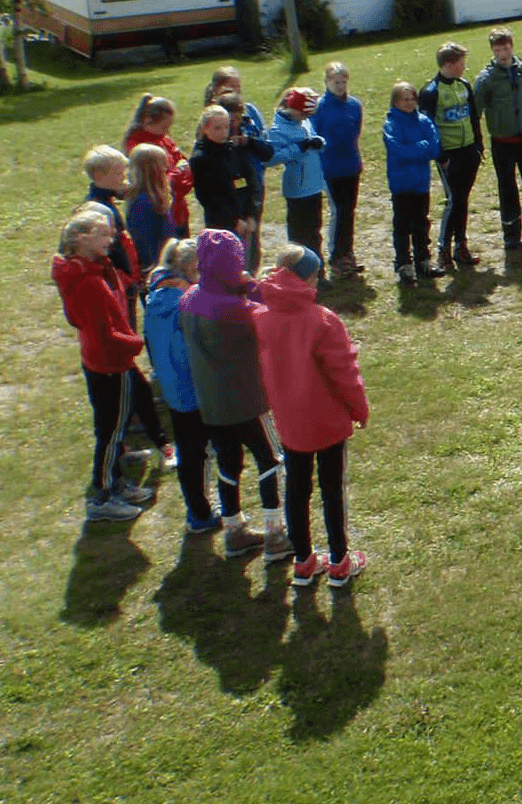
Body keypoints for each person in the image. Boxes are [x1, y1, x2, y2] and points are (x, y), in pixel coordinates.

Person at [254, 245, 371, 590]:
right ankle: (339, 562)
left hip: (289, 421)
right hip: (328, 422)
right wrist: (359, 409)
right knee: (332, 490)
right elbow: (344, 371)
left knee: (296, 489)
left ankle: (303, 563)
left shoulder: (261, 316)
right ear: (308, 278)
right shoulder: (323, 320)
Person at [180, 228, 289, 562]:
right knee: (270, 461)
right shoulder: (236, 309)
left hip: (212, 404)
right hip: (249, 401)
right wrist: (254, 285)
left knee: (229, 463)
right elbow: (269, 315)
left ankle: (234, 529)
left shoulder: (188, 298)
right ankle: (275, 535)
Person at [53, 208, 163, 523]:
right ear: (80, 238)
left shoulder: (87, 270)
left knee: (112, 428)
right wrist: (137, 345)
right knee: (111, 433)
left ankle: (116, 483)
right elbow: (105, 333)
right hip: (110, 365)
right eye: (104, 233)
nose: (111, 238)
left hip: (102, 362)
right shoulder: (87, 282)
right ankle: (102, 496)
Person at [143, 238, 218, 533]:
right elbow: (191, 351)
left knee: (190, 452)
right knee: (200, 453)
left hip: (173, 390)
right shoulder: (183, 303)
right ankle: (201, 513)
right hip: (194, 389)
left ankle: (197, 510)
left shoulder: (157, 298)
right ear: (189, 268)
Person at [471, 27, 522, 252]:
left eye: (506, 48)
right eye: (498, 50)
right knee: (507, 189)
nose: (503, 54)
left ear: (512, 47)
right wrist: (476, 142)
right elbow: (474, 113)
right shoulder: (486, 79)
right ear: (493, 51)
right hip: (502, 143)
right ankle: (511, 234)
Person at [419, 41, 485, 268]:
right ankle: (443, 250)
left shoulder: (464, 85)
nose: (464, 67)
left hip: (469, 150)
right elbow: (427, 127)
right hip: (449, 155)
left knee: (463, 200)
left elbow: (474, 117)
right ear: (448, 64)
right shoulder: (431, 91)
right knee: (454, 200)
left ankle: (461, 247)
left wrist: (478, 145)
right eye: (461, 63)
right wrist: (441, 156)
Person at [204, 68, 270, 267]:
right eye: (231, 87)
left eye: (238, 87)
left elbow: (267, 151)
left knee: (252, 239)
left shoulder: (247, 122)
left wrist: (247, 142)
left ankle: (250, 277)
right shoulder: (211, 135)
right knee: (228, 250)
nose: (235, 123)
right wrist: (234, 218)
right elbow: (211, 189)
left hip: (250, 190)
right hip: (226, 208)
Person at [189, 103, 272, 258]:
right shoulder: (201, 157)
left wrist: (251, 215)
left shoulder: (234, 149)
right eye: (217, 128)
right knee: (226, 260)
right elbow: (207, 196)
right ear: (205, 128)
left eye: (226, 127)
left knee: (249, 257)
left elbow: (252, 181)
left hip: (246, 215)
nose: (223, 132)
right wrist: (234, 220)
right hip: (222, 221)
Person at [383, 80, 443, 285]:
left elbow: (435, 148)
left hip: (421, 182)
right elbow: (398, 149)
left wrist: (414, 148)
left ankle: (423, 260)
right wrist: (421, 148)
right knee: (402, 224)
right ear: (395, 102)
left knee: (421, 222)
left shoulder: (424, 121)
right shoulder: (392, 123)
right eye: (404, 99)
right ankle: (403, 263)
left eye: (412, 99)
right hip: (401, 183)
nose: (409, 103)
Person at [265, 88, 329, 269]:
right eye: (302, 113)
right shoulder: (278, 129)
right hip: (297, 190)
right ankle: (297, 272)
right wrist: (298, 148)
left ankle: (317, 271)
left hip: (314, 185)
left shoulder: (305, 122)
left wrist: (319, 142)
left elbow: (314, 139)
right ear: (292, 109)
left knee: (315, 232)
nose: (304, 117)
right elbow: (271, 158)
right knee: (300, 236)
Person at [314, 60, 367, 278]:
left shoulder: (354, 105)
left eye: (343, 81)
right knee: (338, 211)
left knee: (349, 211)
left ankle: (348, 253)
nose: (340, 85)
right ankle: (336, 257)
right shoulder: (318, 108)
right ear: (326, 82)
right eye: (335, 81)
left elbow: (356, 131)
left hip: (351, 165)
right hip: (330, 168)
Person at [122, 94, 194, 236]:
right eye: (164, 127)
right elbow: (156, 180)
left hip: (177, 206)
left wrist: (183, 172)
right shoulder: (138, 147)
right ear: (148, 122)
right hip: (159, 210)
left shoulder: (163, 138)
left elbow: (182, 162)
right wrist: (179, 172)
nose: (167, 132)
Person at [81, 145, 141, 304]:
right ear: (101, 176)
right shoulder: (99, 210)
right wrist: (123, 279)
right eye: (119, 173)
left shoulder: (107, 201)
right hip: (116, 284)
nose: (124, 178)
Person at [126, 143, 176, 274]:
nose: (167, 168)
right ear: (154, 170)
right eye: (163, 164)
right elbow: (142, 240)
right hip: (156, 268)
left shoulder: (158, 197)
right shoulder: (141, 202)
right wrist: (151, 268)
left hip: (168, 261)